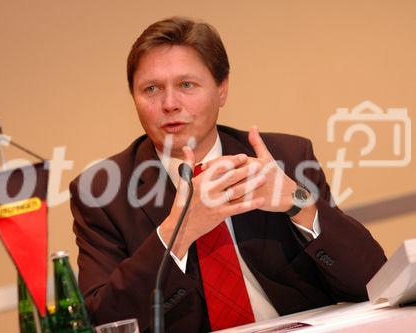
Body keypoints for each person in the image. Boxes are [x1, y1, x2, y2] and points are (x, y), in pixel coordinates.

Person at [70, 17, 386, 332]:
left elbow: (373, 282)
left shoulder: (286, 157)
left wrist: (299, 203)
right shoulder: (102, 193)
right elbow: (104, 323)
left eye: (186, 85)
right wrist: (175, 236)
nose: (169, 104)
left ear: (222, 89)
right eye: (151, 89)